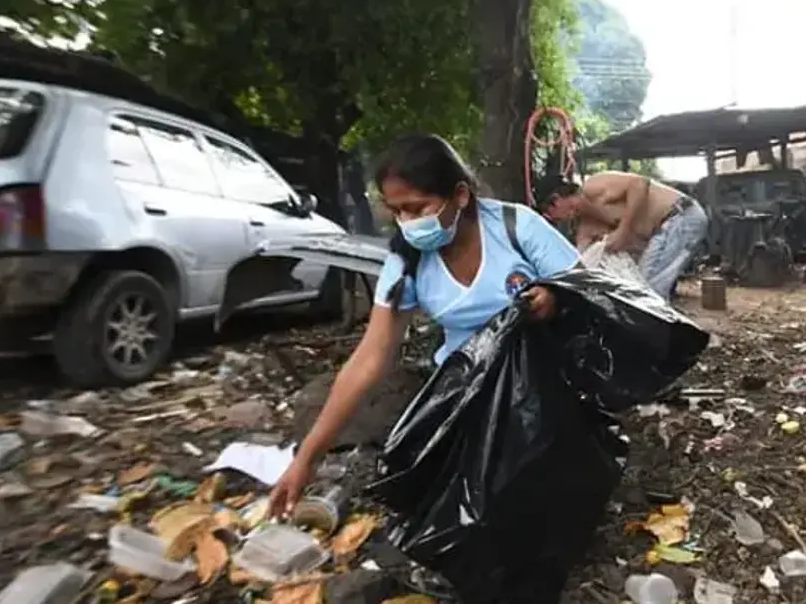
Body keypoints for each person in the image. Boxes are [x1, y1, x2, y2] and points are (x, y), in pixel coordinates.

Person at [268, 134, 580, 515]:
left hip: (543, 386)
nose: (407, 223)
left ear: (460, 195)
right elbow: (370, 359)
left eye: (417, 209)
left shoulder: (516, 229)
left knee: (540, 494)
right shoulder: (408, 262)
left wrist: (555, 298)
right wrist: (308, 457)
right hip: (468, 393)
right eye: (396, 212)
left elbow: (589, 292)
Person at [536, 171, 708, 300]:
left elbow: (640, 183)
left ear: (556, 200)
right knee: (639, 290)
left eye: (550, 215)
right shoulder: (586, 224)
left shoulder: (593, 186)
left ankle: (658, 343)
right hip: (666, 228)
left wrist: (624, 230)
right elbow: (580, 262)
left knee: (647, 293)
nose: (557, 220)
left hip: (680, 216)